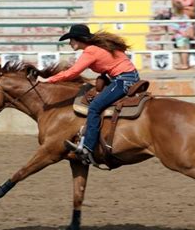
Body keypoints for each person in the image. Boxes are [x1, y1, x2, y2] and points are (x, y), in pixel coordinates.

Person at [37, 24, 139, 165]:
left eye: (71, 39)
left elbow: (73, 72)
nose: (70, 43)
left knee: (95, 107)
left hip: (124, 80)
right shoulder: (98, 48)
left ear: (78, 39)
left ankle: (88, 147)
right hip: (126, 77)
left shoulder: (91, 51)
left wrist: (48, 80)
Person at [170, 5, 195, 69]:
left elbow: (174, 28)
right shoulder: (185, 16)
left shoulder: (174, 18)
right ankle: (184, 63)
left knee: (182, 50)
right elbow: (189, 25)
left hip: (179, 36)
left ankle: (184, 64)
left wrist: (178, 33)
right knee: (185, 50)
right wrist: (187, 32)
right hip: (185, 35)